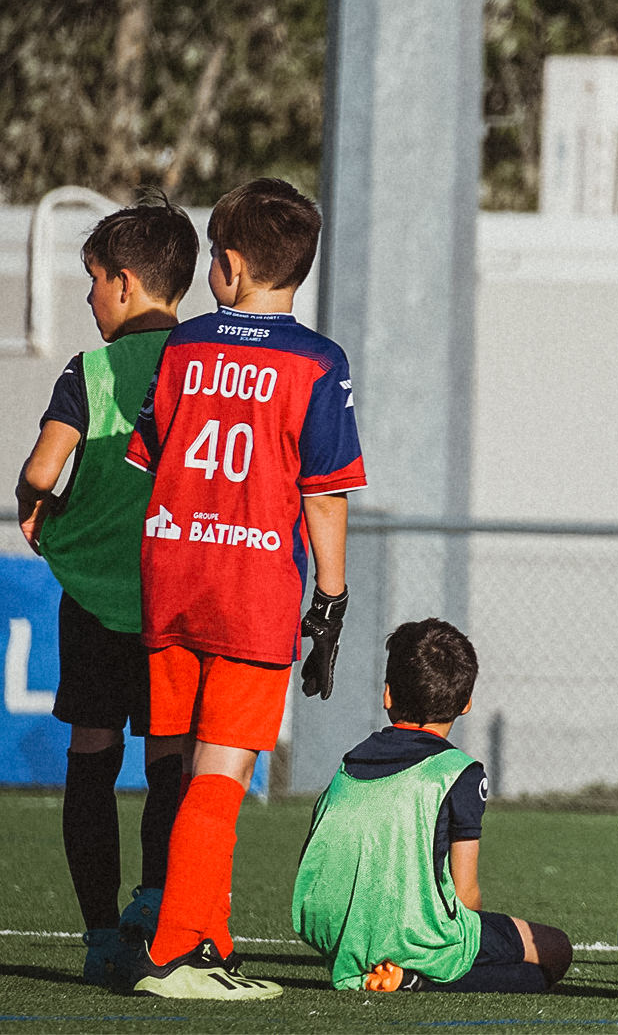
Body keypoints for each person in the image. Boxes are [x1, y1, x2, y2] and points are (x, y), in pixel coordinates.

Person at [124, 178, 366, 1000]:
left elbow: (150, 457)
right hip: (250, 589)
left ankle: (189, 932)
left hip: (170, 578)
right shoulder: (318, 362)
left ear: (227, 265)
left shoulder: (184, 346)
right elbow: (324, 494)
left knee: (176, 765)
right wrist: (330, 602)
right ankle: (177, 954)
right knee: (221, 776)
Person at [14, 198, 198, 985]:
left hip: (95, 597)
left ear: (124, 283)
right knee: (171, 755)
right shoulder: (209, 364)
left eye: (91, 280)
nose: (88, 297)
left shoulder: (89, 371)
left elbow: (40, 470)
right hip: (178, 597)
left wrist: (33, 505)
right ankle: (155, 905)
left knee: (92, 752)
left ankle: (98, 937)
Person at [293, 619, 573, 993]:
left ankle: (393, 969)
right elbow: (466, 894)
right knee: (553, 952)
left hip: (342, 934)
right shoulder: (459, 772)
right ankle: (416, 980)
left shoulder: (349, 763)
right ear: (466, 703)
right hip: (420, 934)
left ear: (387, 695)